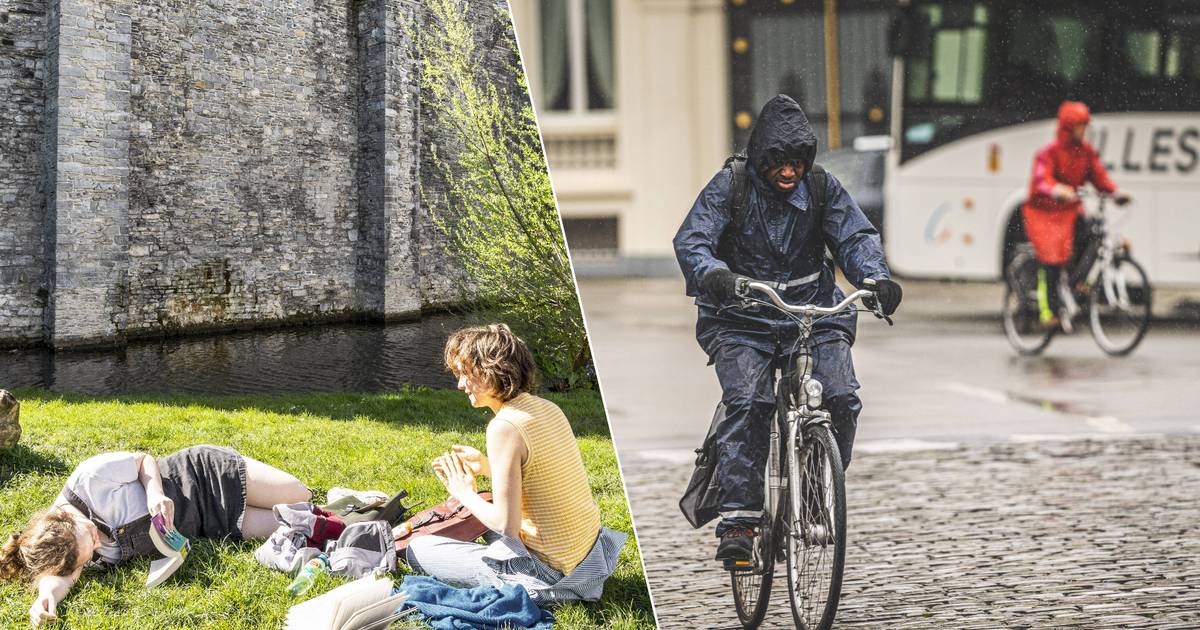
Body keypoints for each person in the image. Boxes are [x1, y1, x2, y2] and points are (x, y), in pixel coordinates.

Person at [672, 94, 902, 565]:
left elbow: (855, 236)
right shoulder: (730, 185)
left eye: (798, 163)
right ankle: (739, 522)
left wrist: (875, 277)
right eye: (780, 163)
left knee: (841, 396)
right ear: (762, 158)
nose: (790, 172)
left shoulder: (821, 187)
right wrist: (715, 274)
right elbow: (693, 239)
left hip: (813, 311)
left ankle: (818, 489)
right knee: (749, 402)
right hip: (741, 318)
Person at [404, 324, 624, 603]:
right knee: (485, 508)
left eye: (465, 373)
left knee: (418, 549)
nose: (460, 384)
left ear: (490, 369)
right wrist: (486, 466)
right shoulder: (548, 408)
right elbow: (543, 478)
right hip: (589, 561)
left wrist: (462, 491)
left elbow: (505, 525)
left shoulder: (504, 426)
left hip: (548, 576)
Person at [0, 445, 312, 627]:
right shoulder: (70, 551)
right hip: (208, 522)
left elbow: (142, 459)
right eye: (91, 553)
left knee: (300, 494)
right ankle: (350, 509)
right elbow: (64, 577)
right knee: (301, 517)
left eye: (91, 535)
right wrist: (47, 598)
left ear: (66, 516)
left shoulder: (88, 479)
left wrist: (154, 494)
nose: (98, 545)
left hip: (200, 474)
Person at [1022, 100, 1130, 328]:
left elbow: (1099, 177)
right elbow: (1042, 179)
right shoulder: (1049, 153)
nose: (1085, 131)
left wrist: (1115, 193)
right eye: (1081, 126)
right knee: (1051, 258)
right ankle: (1048, 311)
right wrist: (1056, 190)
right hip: (1044, 213)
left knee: (1093, 234)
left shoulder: (1086, 153)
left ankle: (1078, 281)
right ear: (1069, 127)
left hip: (1069, 211)